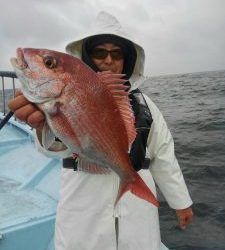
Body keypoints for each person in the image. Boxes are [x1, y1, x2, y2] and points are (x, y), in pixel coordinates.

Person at [8, 11, 193, 250]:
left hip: (138, 216)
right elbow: (55, 148)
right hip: (83, 213)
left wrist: (181, 202)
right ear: (86, 56)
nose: (108, 60)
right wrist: (41, 126)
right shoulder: (53, 100)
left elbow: (164, 156)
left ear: (127, 60)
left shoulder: (146, 106)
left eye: (116, 54)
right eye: (99, 52)